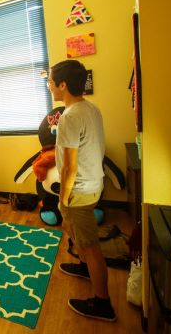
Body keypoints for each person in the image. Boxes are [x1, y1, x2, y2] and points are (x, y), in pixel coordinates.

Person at [46, 59, 116, 322]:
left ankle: (102, 303)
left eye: (51, 81)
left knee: (90, 245)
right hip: (94, 183)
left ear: (63, 85)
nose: (49, 85)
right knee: (80, 236)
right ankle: (85, 269)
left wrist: (63, 202)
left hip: (80, 189)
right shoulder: (91, 109)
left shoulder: (70, 117)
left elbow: (69, 168)